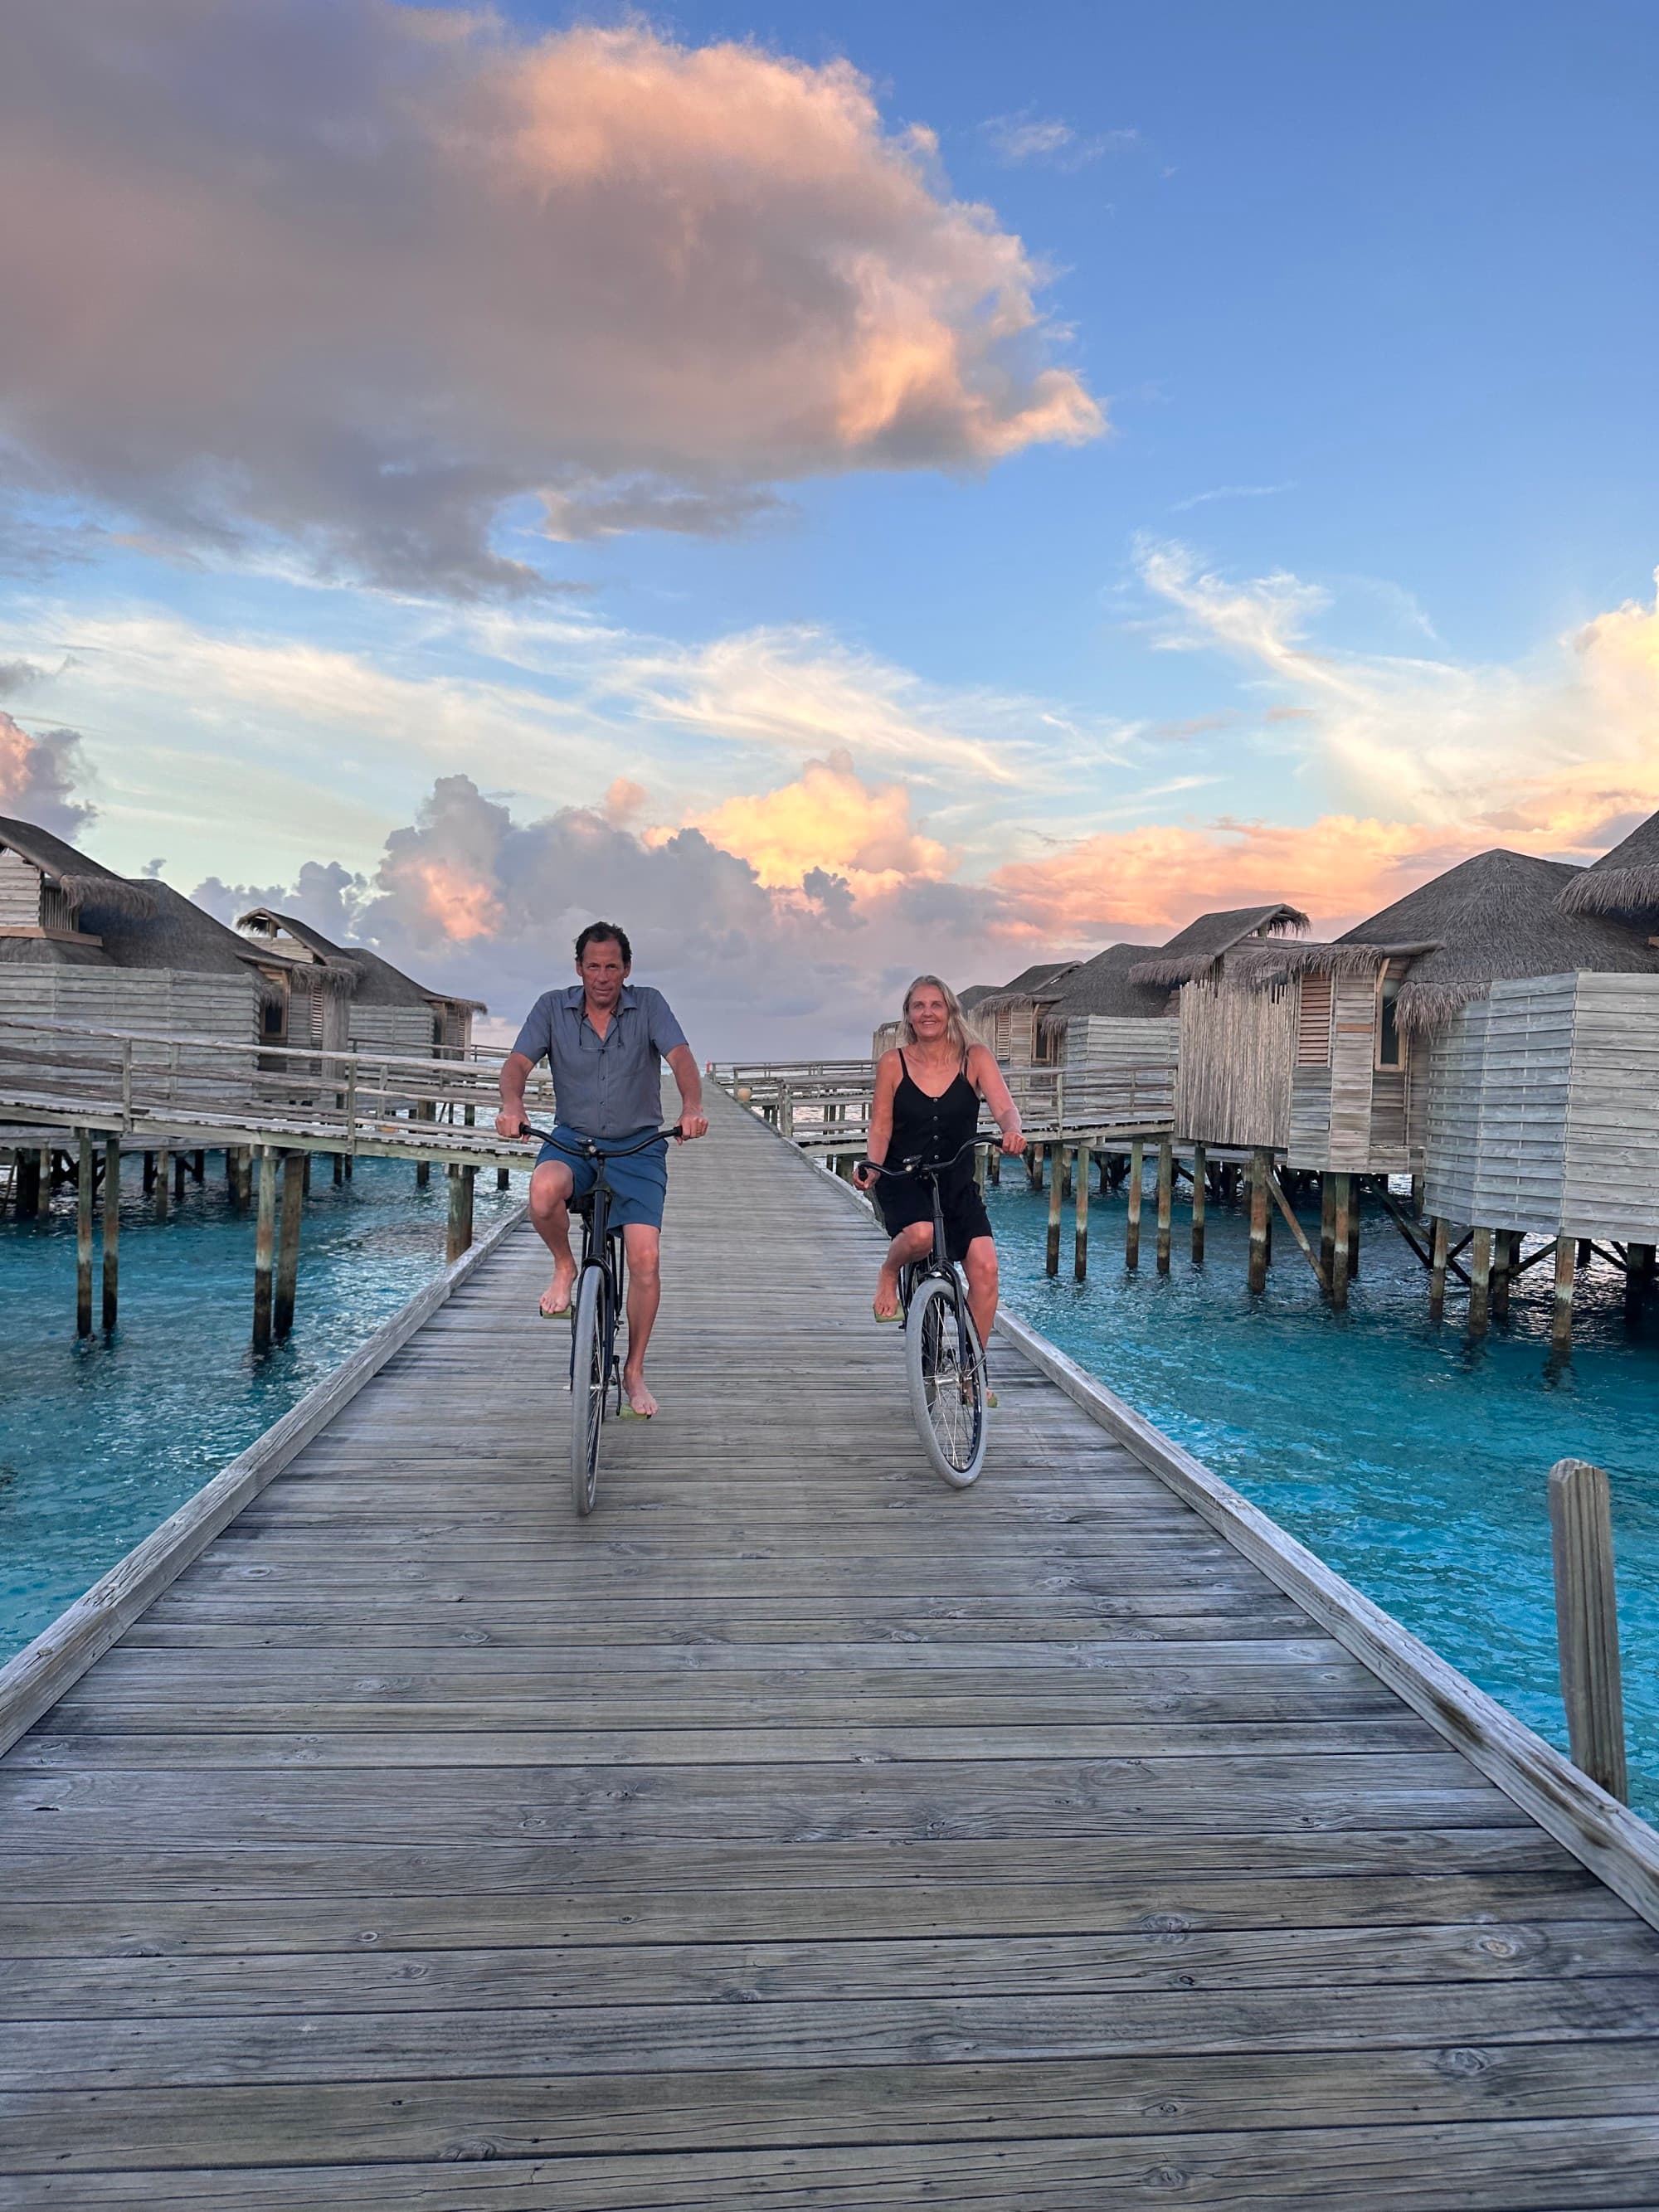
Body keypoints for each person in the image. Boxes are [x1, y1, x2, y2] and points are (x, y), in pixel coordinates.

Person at [497, 922, 707, 1419]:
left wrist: (692, 1106)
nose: (603, 976)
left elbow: (681, 1059)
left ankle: (632, 1370)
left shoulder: (649, 1004)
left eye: (613, 966)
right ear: (578, 969)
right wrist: (512, 1105)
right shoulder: (552, 1007)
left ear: (626, 970)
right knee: (543, 1191)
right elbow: (516, 1066)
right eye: (593, 966)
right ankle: (566, 1267)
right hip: (573, 1141)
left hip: (640, 1147)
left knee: (645, 1258)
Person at [854, 975, 1024, 1350]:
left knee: (986, 1270)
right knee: (920, 1235)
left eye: (936, 1005)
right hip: (903, 1178)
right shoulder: (893, 1063)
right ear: (909, 1016)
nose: (927, 1012)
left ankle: (973, 1370)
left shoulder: (975, 1057)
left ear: (949, 1011)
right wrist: (871, 1166)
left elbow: (1005, 1108)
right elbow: (880, 1125)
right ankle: (889, 1271)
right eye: (919, 1006)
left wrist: (1012, 1131)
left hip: (956, 1182)